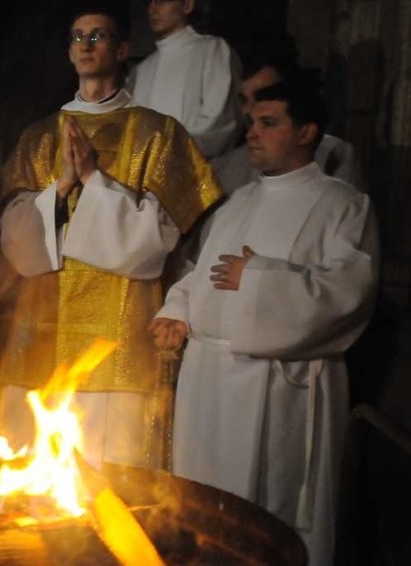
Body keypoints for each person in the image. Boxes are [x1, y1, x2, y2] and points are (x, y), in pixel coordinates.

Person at [150, 80, 379, 565]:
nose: (252, 133)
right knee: (203, 510)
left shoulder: (343, 204)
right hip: (207, 382)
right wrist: (177, 311)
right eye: (252, 122)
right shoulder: (236, 202)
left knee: (264, 520)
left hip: (276, 389)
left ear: (307, 132)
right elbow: (198, 276)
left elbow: (347, 295)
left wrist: (258, 278)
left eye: (269, 123)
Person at [0, 6, 223, 470]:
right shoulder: (40, 136)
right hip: (41, 329)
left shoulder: (160, 134)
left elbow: (154, 243)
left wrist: (93, 181)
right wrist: (59, 189)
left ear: (122, 50)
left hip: (120, 338)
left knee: (112, 483)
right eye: (77, 35)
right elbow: (15, 242)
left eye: (98, 36)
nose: (85, 44)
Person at [213, 49, 362, 193]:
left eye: (264, 96)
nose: (250, 109)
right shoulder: (224, 164)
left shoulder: (333, 153)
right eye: (244, 100)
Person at [127, 0, 239, 158]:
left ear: (187, 5)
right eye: (150, 2)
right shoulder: (142, 70)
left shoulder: (211, 50)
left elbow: (219, 121)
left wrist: (170, 151)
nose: (152, 8)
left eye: (161, 1)